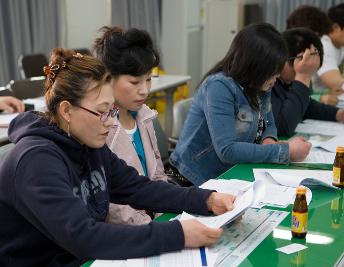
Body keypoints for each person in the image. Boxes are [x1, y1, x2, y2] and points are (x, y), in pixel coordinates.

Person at [0, 48, 235, 266]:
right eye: (102, 112)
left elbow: (139, 189)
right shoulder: (35, 161)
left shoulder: (87, 143)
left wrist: (206, 200)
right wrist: (179, 234)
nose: (111, 123)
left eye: (111, 111)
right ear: (66, 111)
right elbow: (84, 237)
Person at [170, 23, 311, 186]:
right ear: (255, 66)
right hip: (194, 178)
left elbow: (268, 122)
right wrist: (285, 151)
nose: (277, 76)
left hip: (232, 172)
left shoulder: (260, 83)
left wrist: (269, 139)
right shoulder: (219, 86)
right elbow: (227, 150)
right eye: (273, 70)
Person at [94, 26, 168, 225]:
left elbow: (158, 173)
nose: (144, 90)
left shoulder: (143, 115)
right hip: (126, 229)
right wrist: (151, 226)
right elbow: (112, 201)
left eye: (149, 79)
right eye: (135, 82)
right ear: (108, 79)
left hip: (154, 217)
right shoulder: (100, 127)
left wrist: (166, 212)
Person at [271, 27, 344, 137]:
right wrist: (303, 77)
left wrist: (338, 114)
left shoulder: (284, 80)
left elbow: (305, 105)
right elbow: (282, 128)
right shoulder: (266, 81)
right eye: (303, 68)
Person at [285, 5, 338, 106]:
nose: (317, 43)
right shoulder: (285, 58)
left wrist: (326, 93)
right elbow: (285, 98)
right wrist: (319, 98)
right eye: (316, 36)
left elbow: (308, 92)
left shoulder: (305, 57)